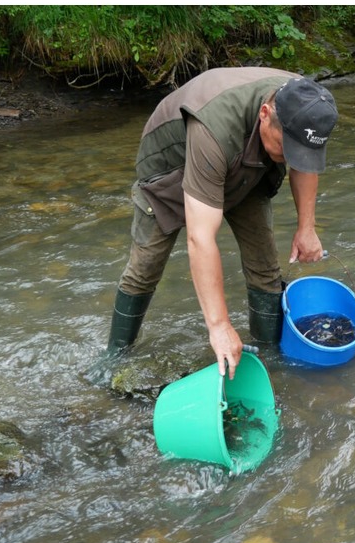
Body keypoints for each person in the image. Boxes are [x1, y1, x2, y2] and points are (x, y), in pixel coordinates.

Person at [105, 67, 338, 378]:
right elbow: (200, 239)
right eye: (288, 149)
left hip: (245, 165)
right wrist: (219, 326)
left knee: (266, 268)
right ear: (265, 114)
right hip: (171, 169)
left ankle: (269, 364)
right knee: (145, 269)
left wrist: (306, 228)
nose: (294, 157)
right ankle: (114, 360)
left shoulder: (306, 106)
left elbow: (304, 163)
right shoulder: (213, 129)